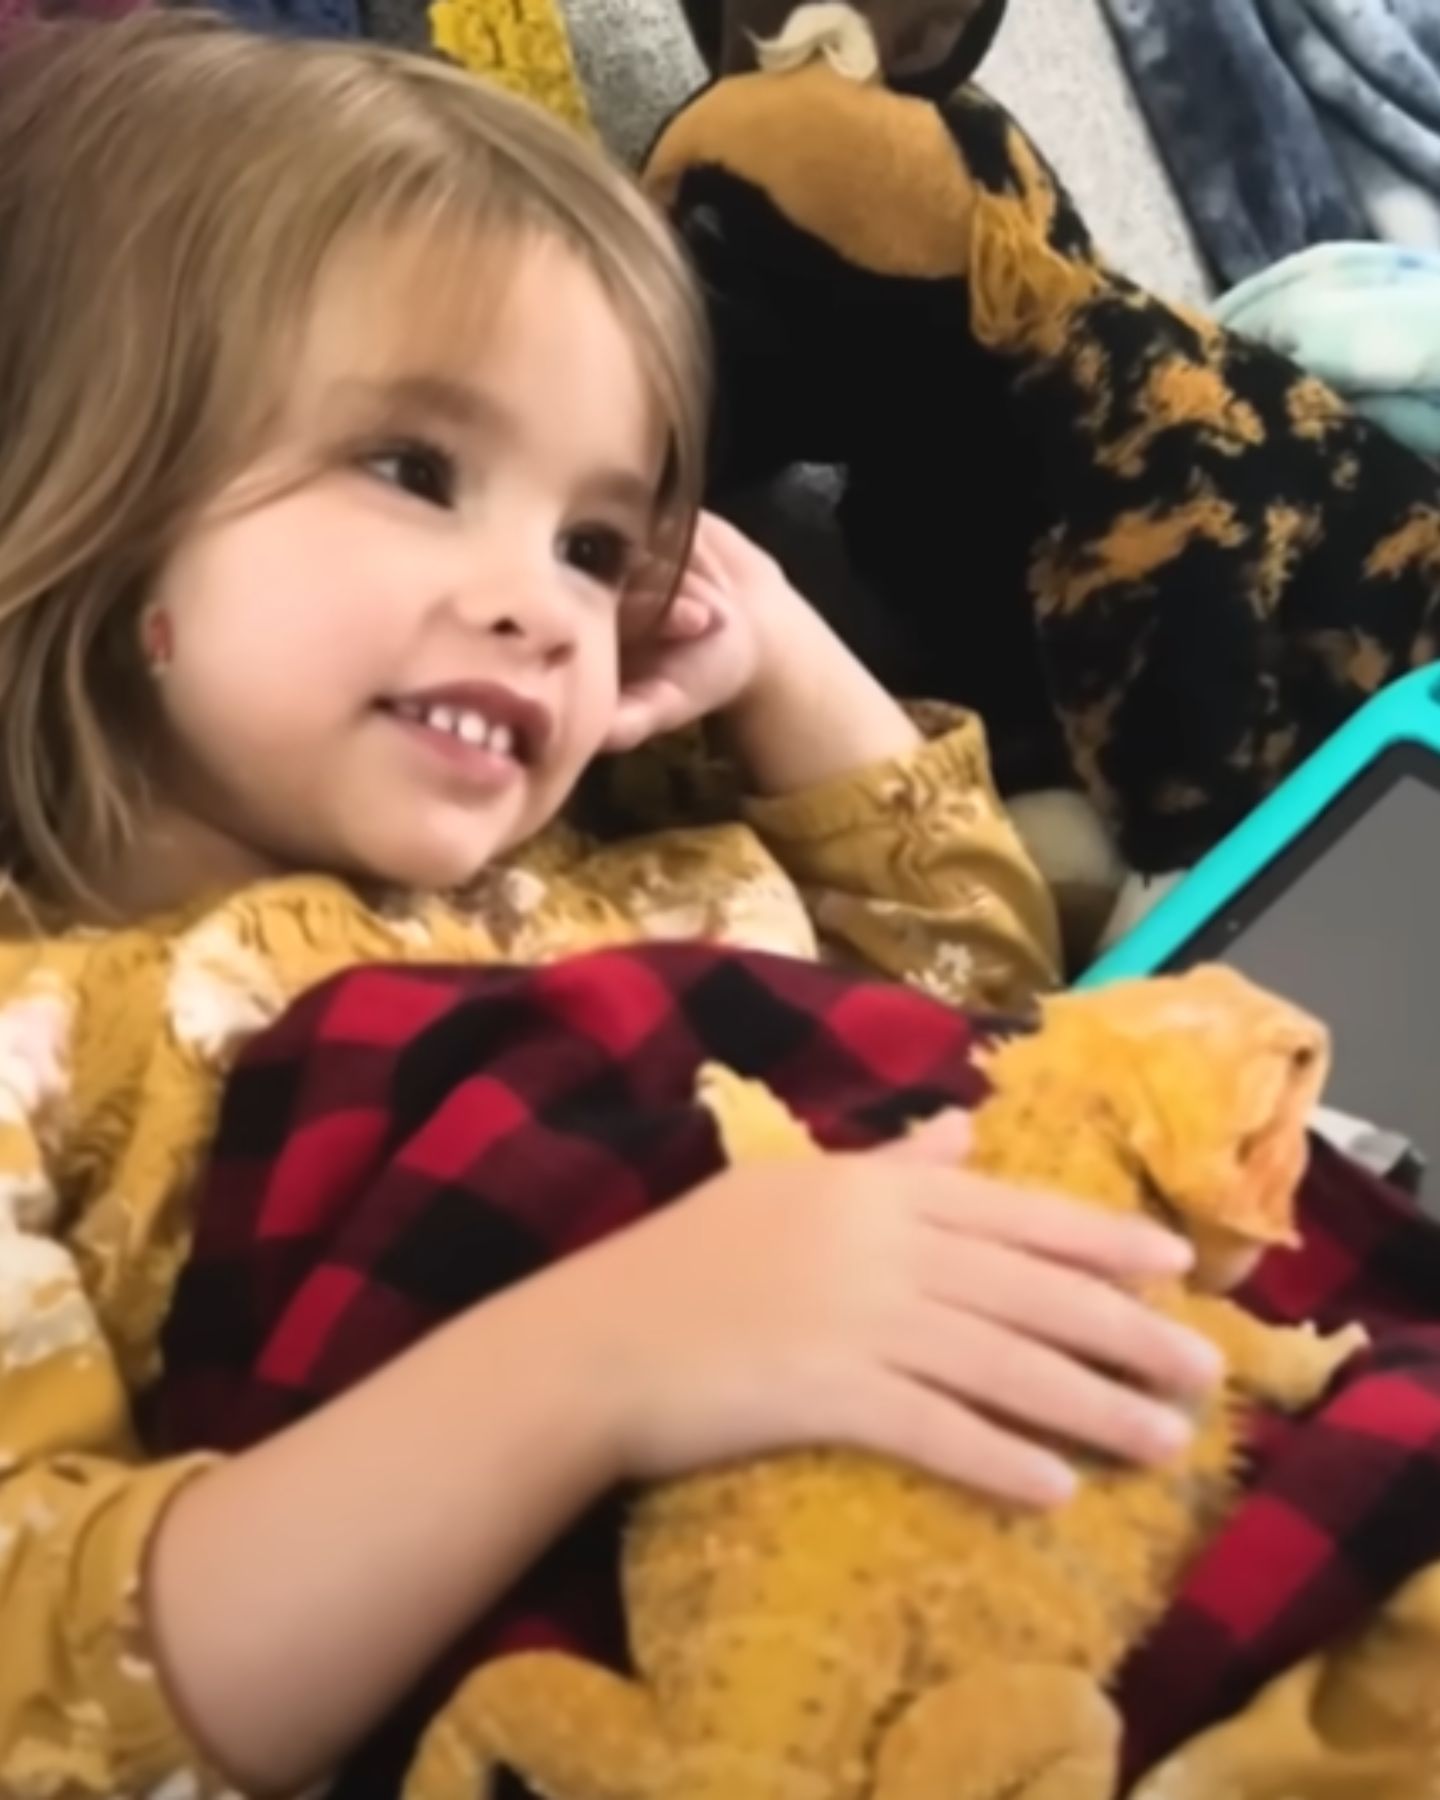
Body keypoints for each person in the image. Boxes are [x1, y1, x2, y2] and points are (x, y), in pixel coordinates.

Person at [0, 14, 1223, 1797]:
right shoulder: (37, 1040)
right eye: (416, 471)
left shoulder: (639, 874)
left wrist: (779, 644)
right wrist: (609, 1356)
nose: (542, 604)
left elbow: (979, 1002)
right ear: (94, 468)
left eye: (597, 544)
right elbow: (48, 1686)